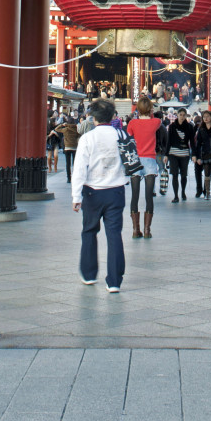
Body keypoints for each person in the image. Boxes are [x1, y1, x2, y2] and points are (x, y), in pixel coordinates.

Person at [71, 97, 126, 292]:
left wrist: (76, 196)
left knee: (89, 231)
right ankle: (114, 281)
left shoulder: (88, 138)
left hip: (92, 192)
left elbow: (79, 168)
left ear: (94, 118)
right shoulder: (121, 135)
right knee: (114, 234)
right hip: (116, 190)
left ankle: (88, 273)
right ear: (112, 116)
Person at [126, 98, 162, 238]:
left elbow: (129, 138)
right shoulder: (155, 122)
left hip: (135, 159)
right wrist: (150, 113)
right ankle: (147, 230)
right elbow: (155, 118)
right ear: (150, 109)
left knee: (134, 196)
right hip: (150, 160)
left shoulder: (132, 123)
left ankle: (135, 230)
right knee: (149, 197)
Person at [163, 107, 194, 201]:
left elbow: (192, 141)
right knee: (175, 174)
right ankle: (176, 195)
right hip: (173, 153)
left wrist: (194, 154)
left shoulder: (189, 127)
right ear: (177, 115)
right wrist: (166, 154)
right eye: (180, 115)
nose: (182, 117)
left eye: (184, 115)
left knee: (184, 175)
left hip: (184, 153)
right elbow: (169, 141)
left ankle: (183, 191)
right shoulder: (172, 126)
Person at [193, 110, 211, 200]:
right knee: (206, 173)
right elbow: (198, 144)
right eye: (204, 117)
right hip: (205, 153)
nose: (206, 118)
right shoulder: (201, 129)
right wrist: (197, 156)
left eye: (207, 116)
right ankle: (207, 193)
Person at [57, 114, 82, 184]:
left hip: (67, 147)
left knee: (68, 164)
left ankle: (69, 178)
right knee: (75, 163)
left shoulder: (66, 129)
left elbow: (57, 129)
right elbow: (79, 134)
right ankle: (75, 177)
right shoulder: (76, 129)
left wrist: (63, 125)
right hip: (75, 147)